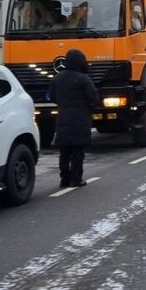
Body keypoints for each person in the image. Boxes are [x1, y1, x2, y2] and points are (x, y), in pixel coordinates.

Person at [47, 48, 99, 187]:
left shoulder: (58, 78)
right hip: (81, 118)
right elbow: (93, 98)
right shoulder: (83, 79)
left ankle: (64, 178)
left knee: (64, 151)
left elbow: (52, 96)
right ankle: (76, 178)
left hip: (63, 117)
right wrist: (89, 108)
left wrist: (63, 105)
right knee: (78, 151)